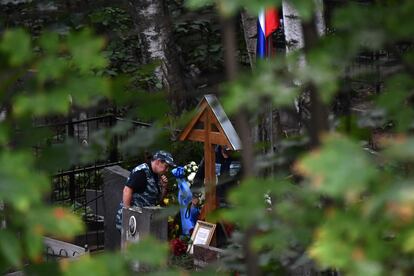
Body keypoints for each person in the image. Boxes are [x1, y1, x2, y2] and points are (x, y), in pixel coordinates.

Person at [115, 150, 176, 230]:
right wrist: (128, 214)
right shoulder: (142, 172)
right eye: (166, 166)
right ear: (158, 162)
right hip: (132, 221)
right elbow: (127, 190)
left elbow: (157, 200)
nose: (167, 170)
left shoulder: (156, 175)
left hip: (143, 219)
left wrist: (164, 187)